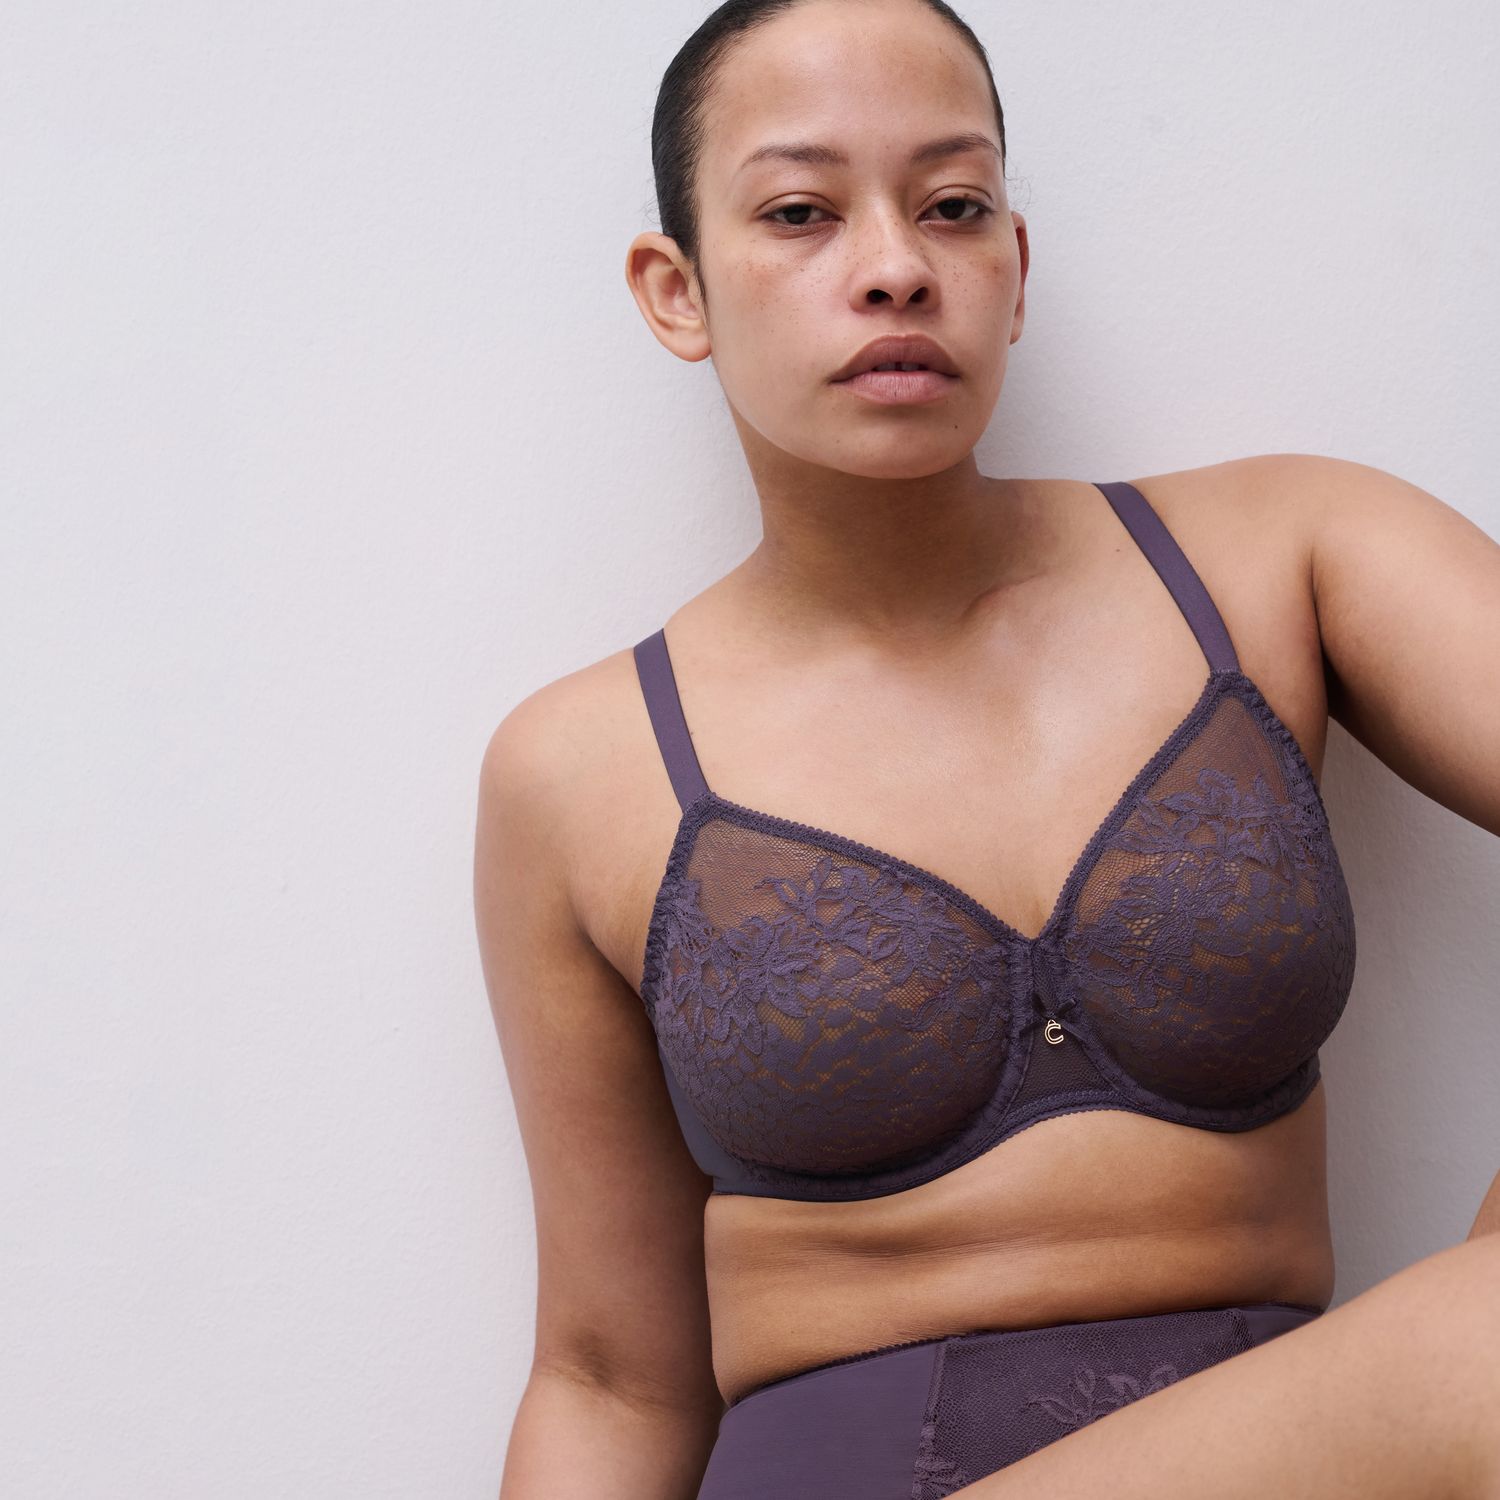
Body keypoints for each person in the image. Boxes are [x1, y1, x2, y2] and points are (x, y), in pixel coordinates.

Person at [474, 1, 1500, 1495]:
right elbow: (609, 1376)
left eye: (952, 207)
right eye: (801, 213)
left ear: (1013, 268)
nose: (896, 266)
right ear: (676, 290)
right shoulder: (581, 769)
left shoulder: (1285, 557)